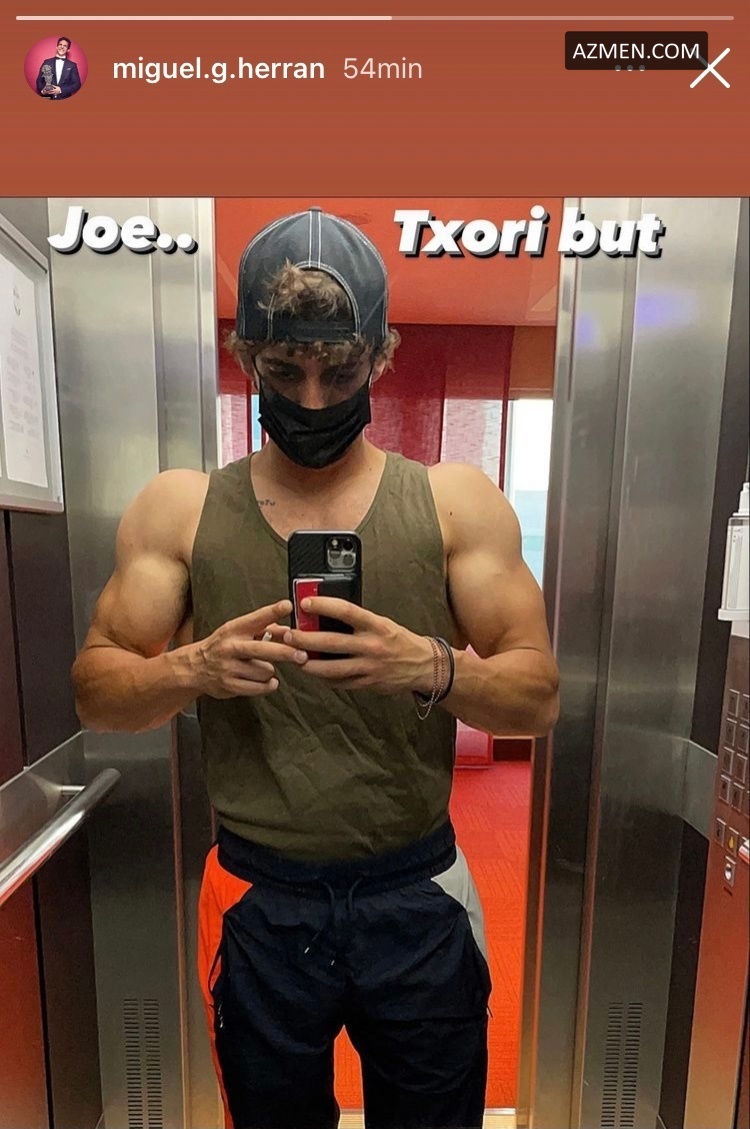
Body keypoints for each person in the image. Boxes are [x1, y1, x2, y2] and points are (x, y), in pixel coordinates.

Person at [72, 206, 560, 1129]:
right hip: (260, 899)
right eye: (283, 370)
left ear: (379, 358)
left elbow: (538, 694)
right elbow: (97, 687)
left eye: (339, 371)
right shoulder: (180, 510)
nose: (310, 397)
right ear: (247, 360)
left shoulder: (455, 502)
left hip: (416, 892)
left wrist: (429, 664)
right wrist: (194, 666)